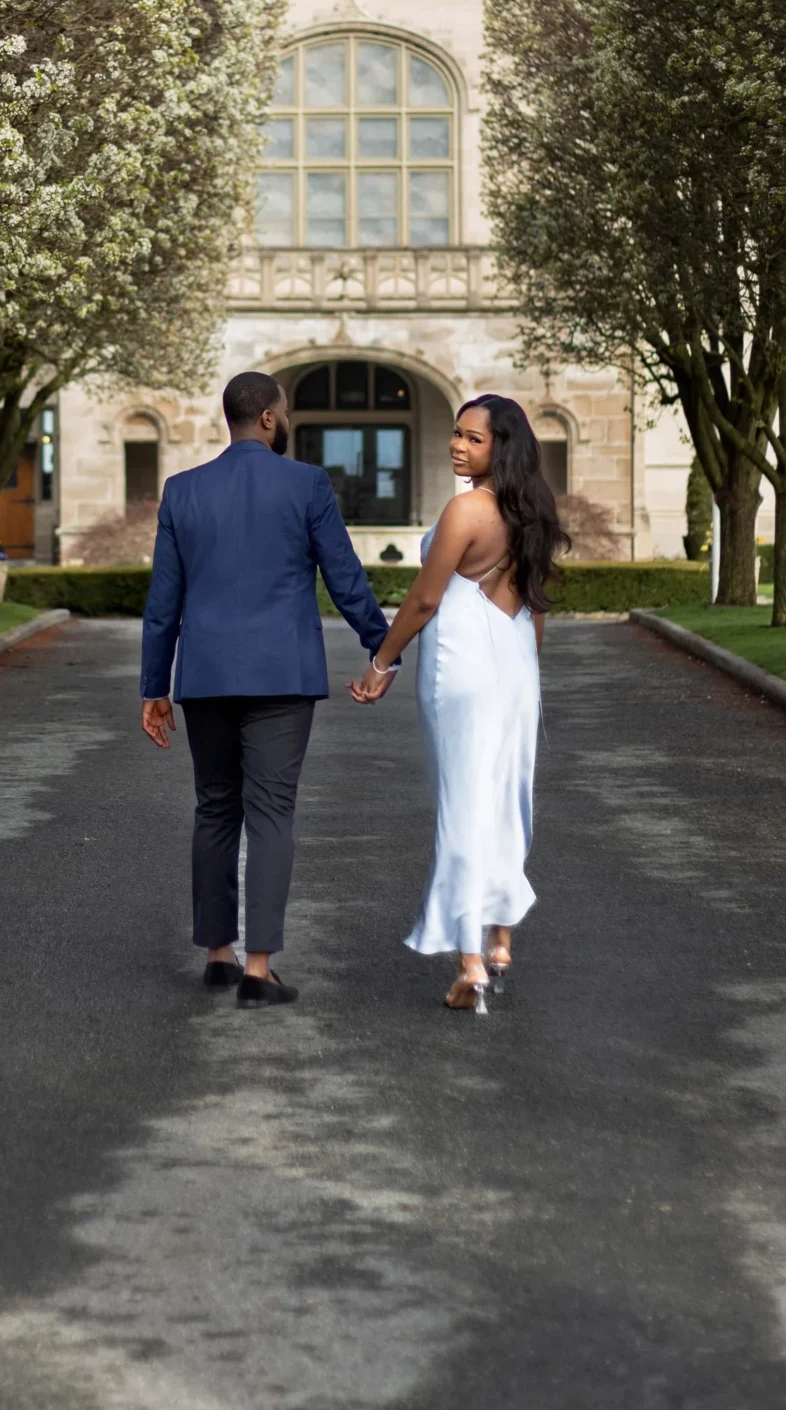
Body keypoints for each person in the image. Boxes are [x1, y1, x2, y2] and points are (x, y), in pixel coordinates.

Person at [140, 369, 392, 1005]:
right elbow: (344, 574)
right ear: (271, 419)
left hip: (205, 677)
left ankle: (219, 955)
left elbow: (162, 601)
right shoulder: (306, 483)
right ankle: (259, 969)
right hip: (282, 675)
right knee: (272, 812)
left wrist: (154, 687)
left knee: (215, 807)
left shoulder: (182, 490)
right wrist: (382, 647)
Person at [351, 394, 565, 1011]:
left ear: (502, 446)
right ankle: (499, 939)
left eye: (473, 439)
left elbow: (423, 600)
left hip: (461, 666)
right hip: (516, 661)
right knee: (504, 797)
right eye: (456, 434)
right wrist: (526, 669)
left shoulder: (467, 509)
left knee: (462, 805)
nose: (457, 446)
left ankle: (470, 960)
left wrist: (380, 663)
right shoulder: (533, 512)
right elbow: (536, 604)